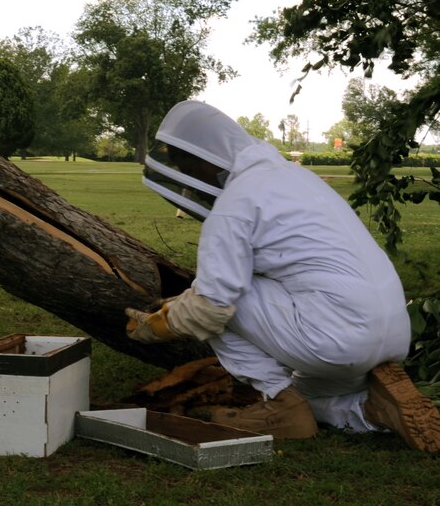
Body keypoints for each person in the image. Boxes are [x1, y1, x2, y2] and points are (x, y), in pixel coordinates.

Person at [126, 100, 440, 452]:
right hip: (391, 335)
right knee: (306, 396)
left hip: (335, 338)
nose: (186, 176)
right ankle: (371, 410)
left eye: (182, 162)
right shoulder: (294, 178)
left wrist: (154, 327)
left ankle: (277, 402)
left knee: (214, 301)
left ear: (201, 155)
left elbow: (211, 306)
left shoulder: (235, 204)